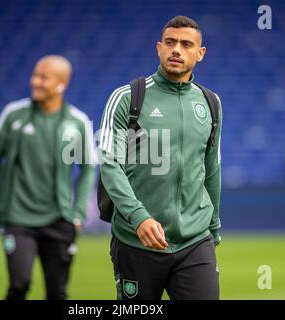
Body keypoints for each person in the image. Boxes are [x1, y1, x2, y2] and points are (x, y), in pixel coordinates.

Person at [99, 16, 222, 300]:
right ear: (159, 48)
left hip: (195, 241)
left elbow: (211, 168)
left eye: (186, 44)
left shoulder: (211, 103)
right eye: (170, 42)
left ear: (200, 53)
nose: (176, 49)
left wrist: (213, 226)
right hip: (136, 241)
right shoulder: (127, 98)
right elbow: (110, 164)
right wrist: (139, 217)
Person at [0, 55, 96, 300]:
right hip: (18, 218)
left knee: (57, 292)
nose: (35, 81)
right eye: (34, 75)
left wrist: (78, 211)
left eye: (43, 77)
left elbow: (89, 166)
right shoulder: (13, 115)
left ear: (61, 84)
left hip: (59, 220)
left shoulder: (77, 122)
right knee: (19, 284)